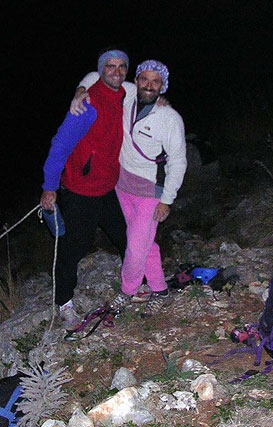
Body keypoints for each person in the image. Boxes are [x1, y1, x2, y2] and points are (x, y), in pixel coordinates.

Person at [71, 59, 187, 316]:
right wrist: (81, 90)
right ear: (136, 81)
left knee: (134, 246)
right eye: (144, 79)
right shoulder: (129, 94)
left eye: (155, 82)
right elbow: (96, 75)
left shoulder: (169, 118)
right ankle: (160, 289)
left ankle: (127, 291)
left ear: (162, 87)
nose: (149, 85)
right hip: (123, 186)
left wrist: (167, 200)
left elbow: (178, 162)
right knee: (145, 243)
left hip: (151, 191)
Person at [40, 49, 129, 329]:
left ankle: (134, 285)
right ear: (101, 71)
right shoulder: (88, 104)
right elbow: (60, 145)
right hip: (80, 191)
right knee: (73, 248)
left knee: (128, 238)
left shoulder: (126, 96)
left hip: (108, 188)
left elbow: (149, 89)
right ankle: (64, 303)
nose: (116, 71)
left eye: (121, 67)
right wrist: (50, 187)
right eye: (110, 67)